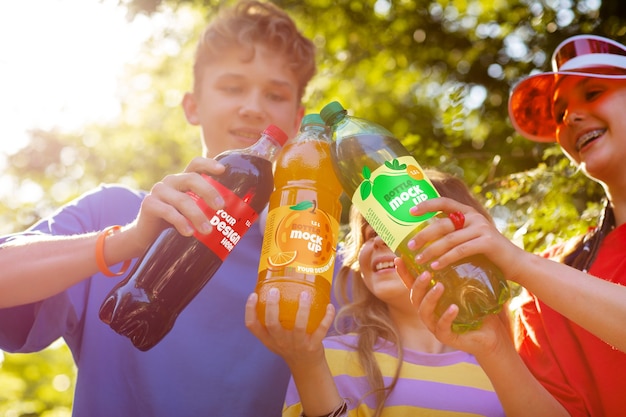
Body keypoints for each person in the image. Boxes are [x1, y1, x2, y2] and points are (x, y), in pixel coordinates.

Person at [0, 1, 316, 415]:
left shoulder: (307, 259)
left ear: (296, 121)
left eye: (274, 94)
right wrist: (128, 240)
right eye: (232, 87)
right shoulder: (112, 213)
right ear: (192, 106)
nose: (253, 107)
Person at [403, 34, 626, 416]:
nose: (570, 117)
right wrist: (494, 349)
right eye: (559, 113)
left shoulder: (535, 273)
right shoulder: (551, 276)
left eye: (592, 93)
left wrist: (519, 263)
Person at [246, 170, 568, 417]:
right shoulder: (329, 358)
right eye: (371, 233)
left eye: (400, 230)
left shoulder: (512, 362)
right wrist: (307, 366)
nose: (379, 242)